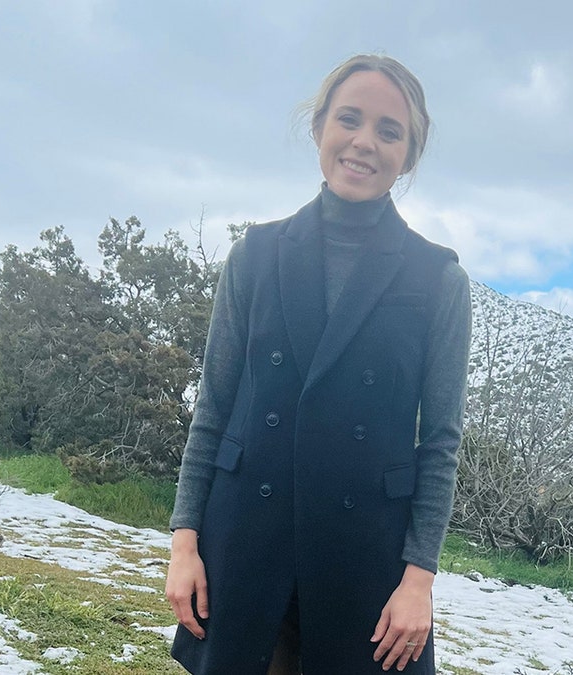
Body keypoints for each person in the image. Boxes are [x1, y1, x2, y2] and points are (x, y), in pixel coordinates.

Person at [165, 54, 472, 674]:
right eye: (349, 119)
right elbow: (215, 408)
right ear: (319, 129)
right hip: (247, 538)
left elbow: (439, 442)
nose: (365, 143)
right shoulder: (254, 255)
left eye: (390, 131)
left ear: (408, 155)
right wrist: (184, 540)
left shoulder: (437, 279)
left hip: (367, 559)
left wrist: (420, 580)